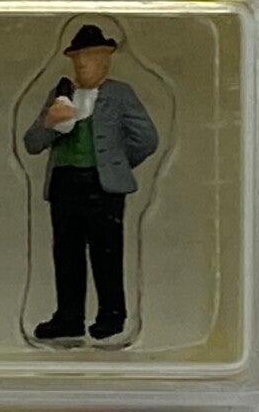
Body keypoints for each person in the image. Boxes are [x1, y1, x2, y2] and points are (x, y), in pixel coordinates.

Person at [21, 22, 159, 342]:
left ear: (105, 61)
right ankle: (68, 316)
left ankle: (112, 315)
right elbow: (32, 143)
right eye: (79, 59)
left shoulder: (119, 94)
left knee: (106, 252)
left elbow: (146, 138)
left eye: (91, 58)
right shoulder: (60, 95)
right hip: (64, 184)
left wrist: (115, 164)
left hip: (102, 186)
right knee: (66, 253)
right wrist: (50, 121)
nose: (83, 65)